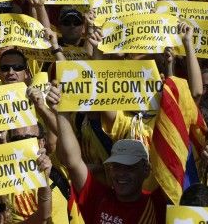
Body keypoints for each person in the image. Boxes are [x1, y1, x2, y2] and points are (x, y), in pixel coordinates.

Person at [47, 84, 166, 223]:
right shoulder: (97, 197)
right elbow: (73, 162)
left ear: (146, 170)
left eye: (129, 167)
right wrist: (61, 112)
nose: (121, 173)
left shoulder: (156, 203)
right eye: (116, 166)